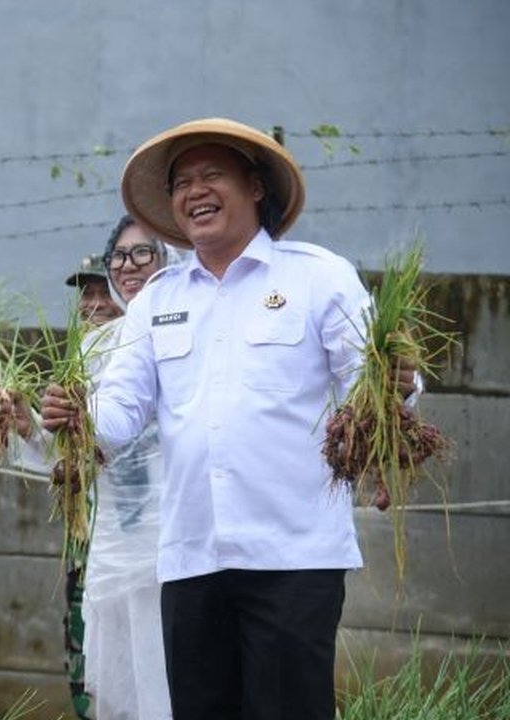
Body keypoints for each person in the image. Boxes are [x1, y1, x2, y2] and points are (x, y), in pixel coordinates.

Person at [41, 118, 419, 720]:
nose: (195, 191)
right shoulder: (160, 300)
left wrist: (396, 388)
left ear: (256, 187)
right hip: (191, 559)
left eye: (211, 174)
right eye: (182, 182)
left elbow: (370, 392)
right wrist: (75, 416)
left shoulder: (318, 277)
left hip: (293, 557)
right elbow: (118, 414)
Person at [0, 217, 173, 720]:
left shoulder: (175, 332)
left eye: (103, 291)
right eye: (87, 293)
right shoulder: (91, 356)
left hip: (171, 545)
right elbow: (74, 457)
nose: (94, 304)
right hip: (106, 545)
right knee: (106, 677)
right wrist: (29, 426)